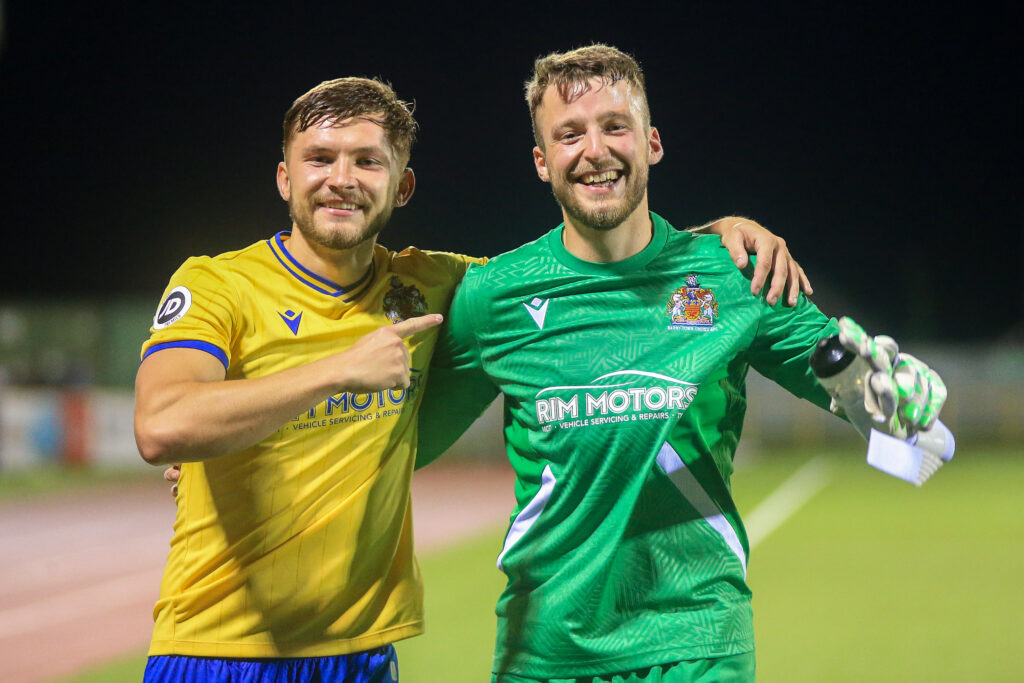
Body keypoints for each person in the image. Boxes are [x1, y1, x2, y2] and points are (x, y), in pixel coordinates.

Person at [138, 75, 811, 682]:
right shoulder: (217, 282)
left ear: (401, 185)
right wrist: (339, 371)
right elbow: (162, 424)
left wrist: (713, 240)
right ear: (285, 177)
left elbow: (587, 264)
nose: (341, 178)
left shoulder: (437, 284)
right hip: (218, 646)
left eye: (367, 161)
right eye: (320, 159)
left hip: (364, 652)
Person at [415, 45, 947, 682]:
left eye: (615, 126)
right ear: (542, 161)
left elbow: (890, 419)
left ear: (652, 143)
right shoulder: (494, 297)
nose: (595, 149)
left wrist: (895, 404)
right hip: (547, 653)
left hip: (698, 648)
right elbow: (403, 449)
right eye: (569, 134)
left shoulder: (733, 275)